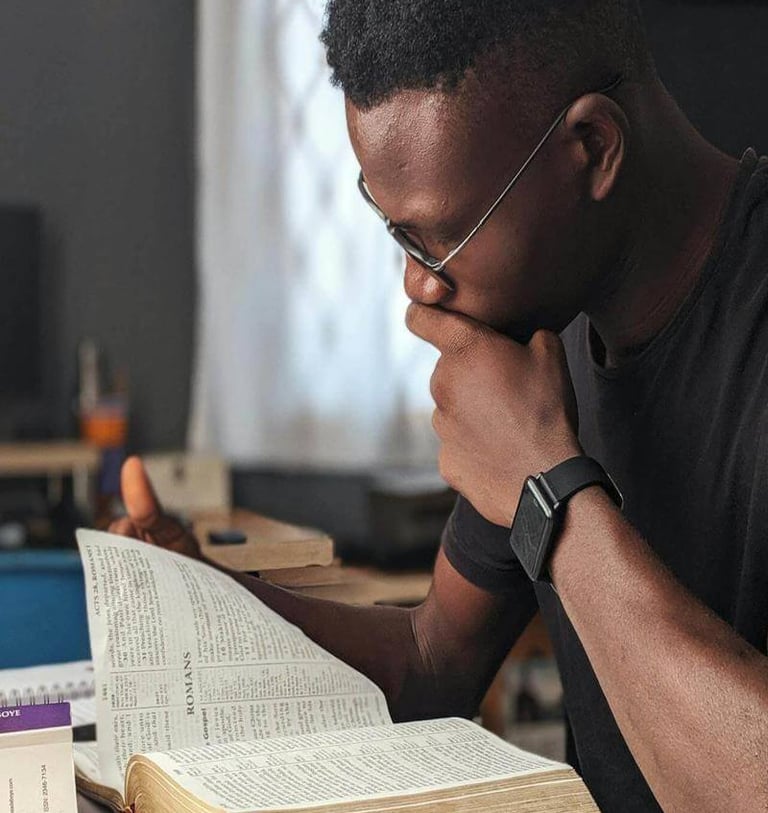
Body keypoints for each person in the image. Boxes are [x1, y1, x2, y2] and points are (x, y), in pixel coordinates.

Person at [110, 2, 768, 811]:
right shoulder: (541, 334)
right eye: (399, 238)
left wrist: (549, 488)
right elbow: (430, 662)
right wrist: (201, 598)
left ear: (592, 149)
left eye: (437, 238)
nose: (420, 285)